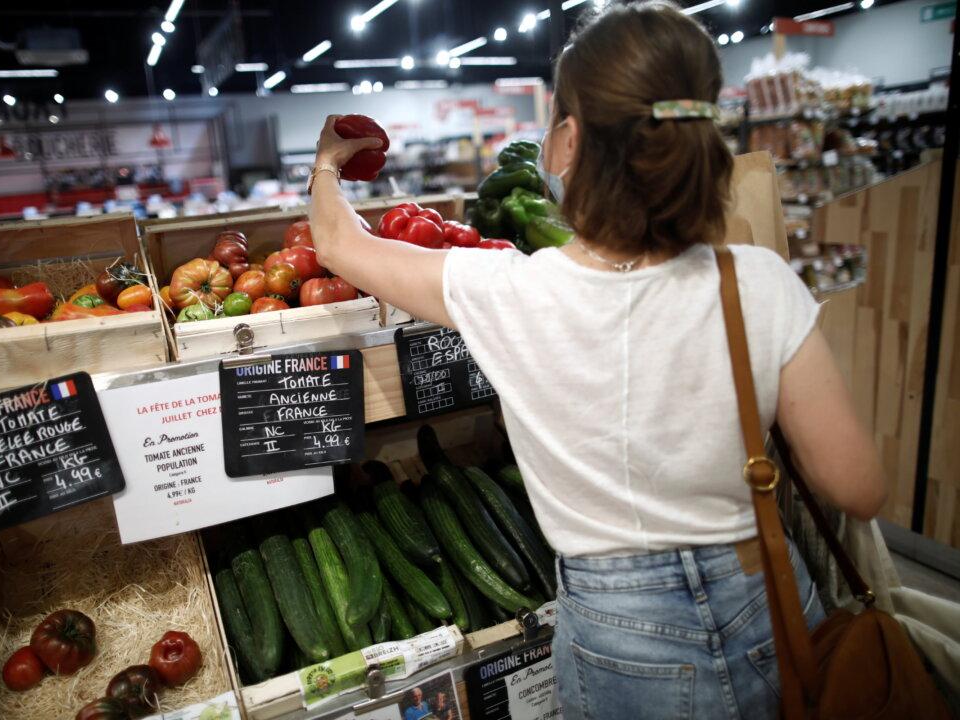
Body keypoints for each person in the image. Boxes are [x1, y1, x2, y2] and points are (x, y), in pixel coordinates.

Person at [307, 3, 886, 718]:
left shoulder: (511, 291)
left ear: (570, 143)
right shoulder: (757, 283)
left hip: (618, 639)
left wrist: (329, 164)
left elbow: (338, 246)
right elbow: (858, 487)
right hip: (768, 597)